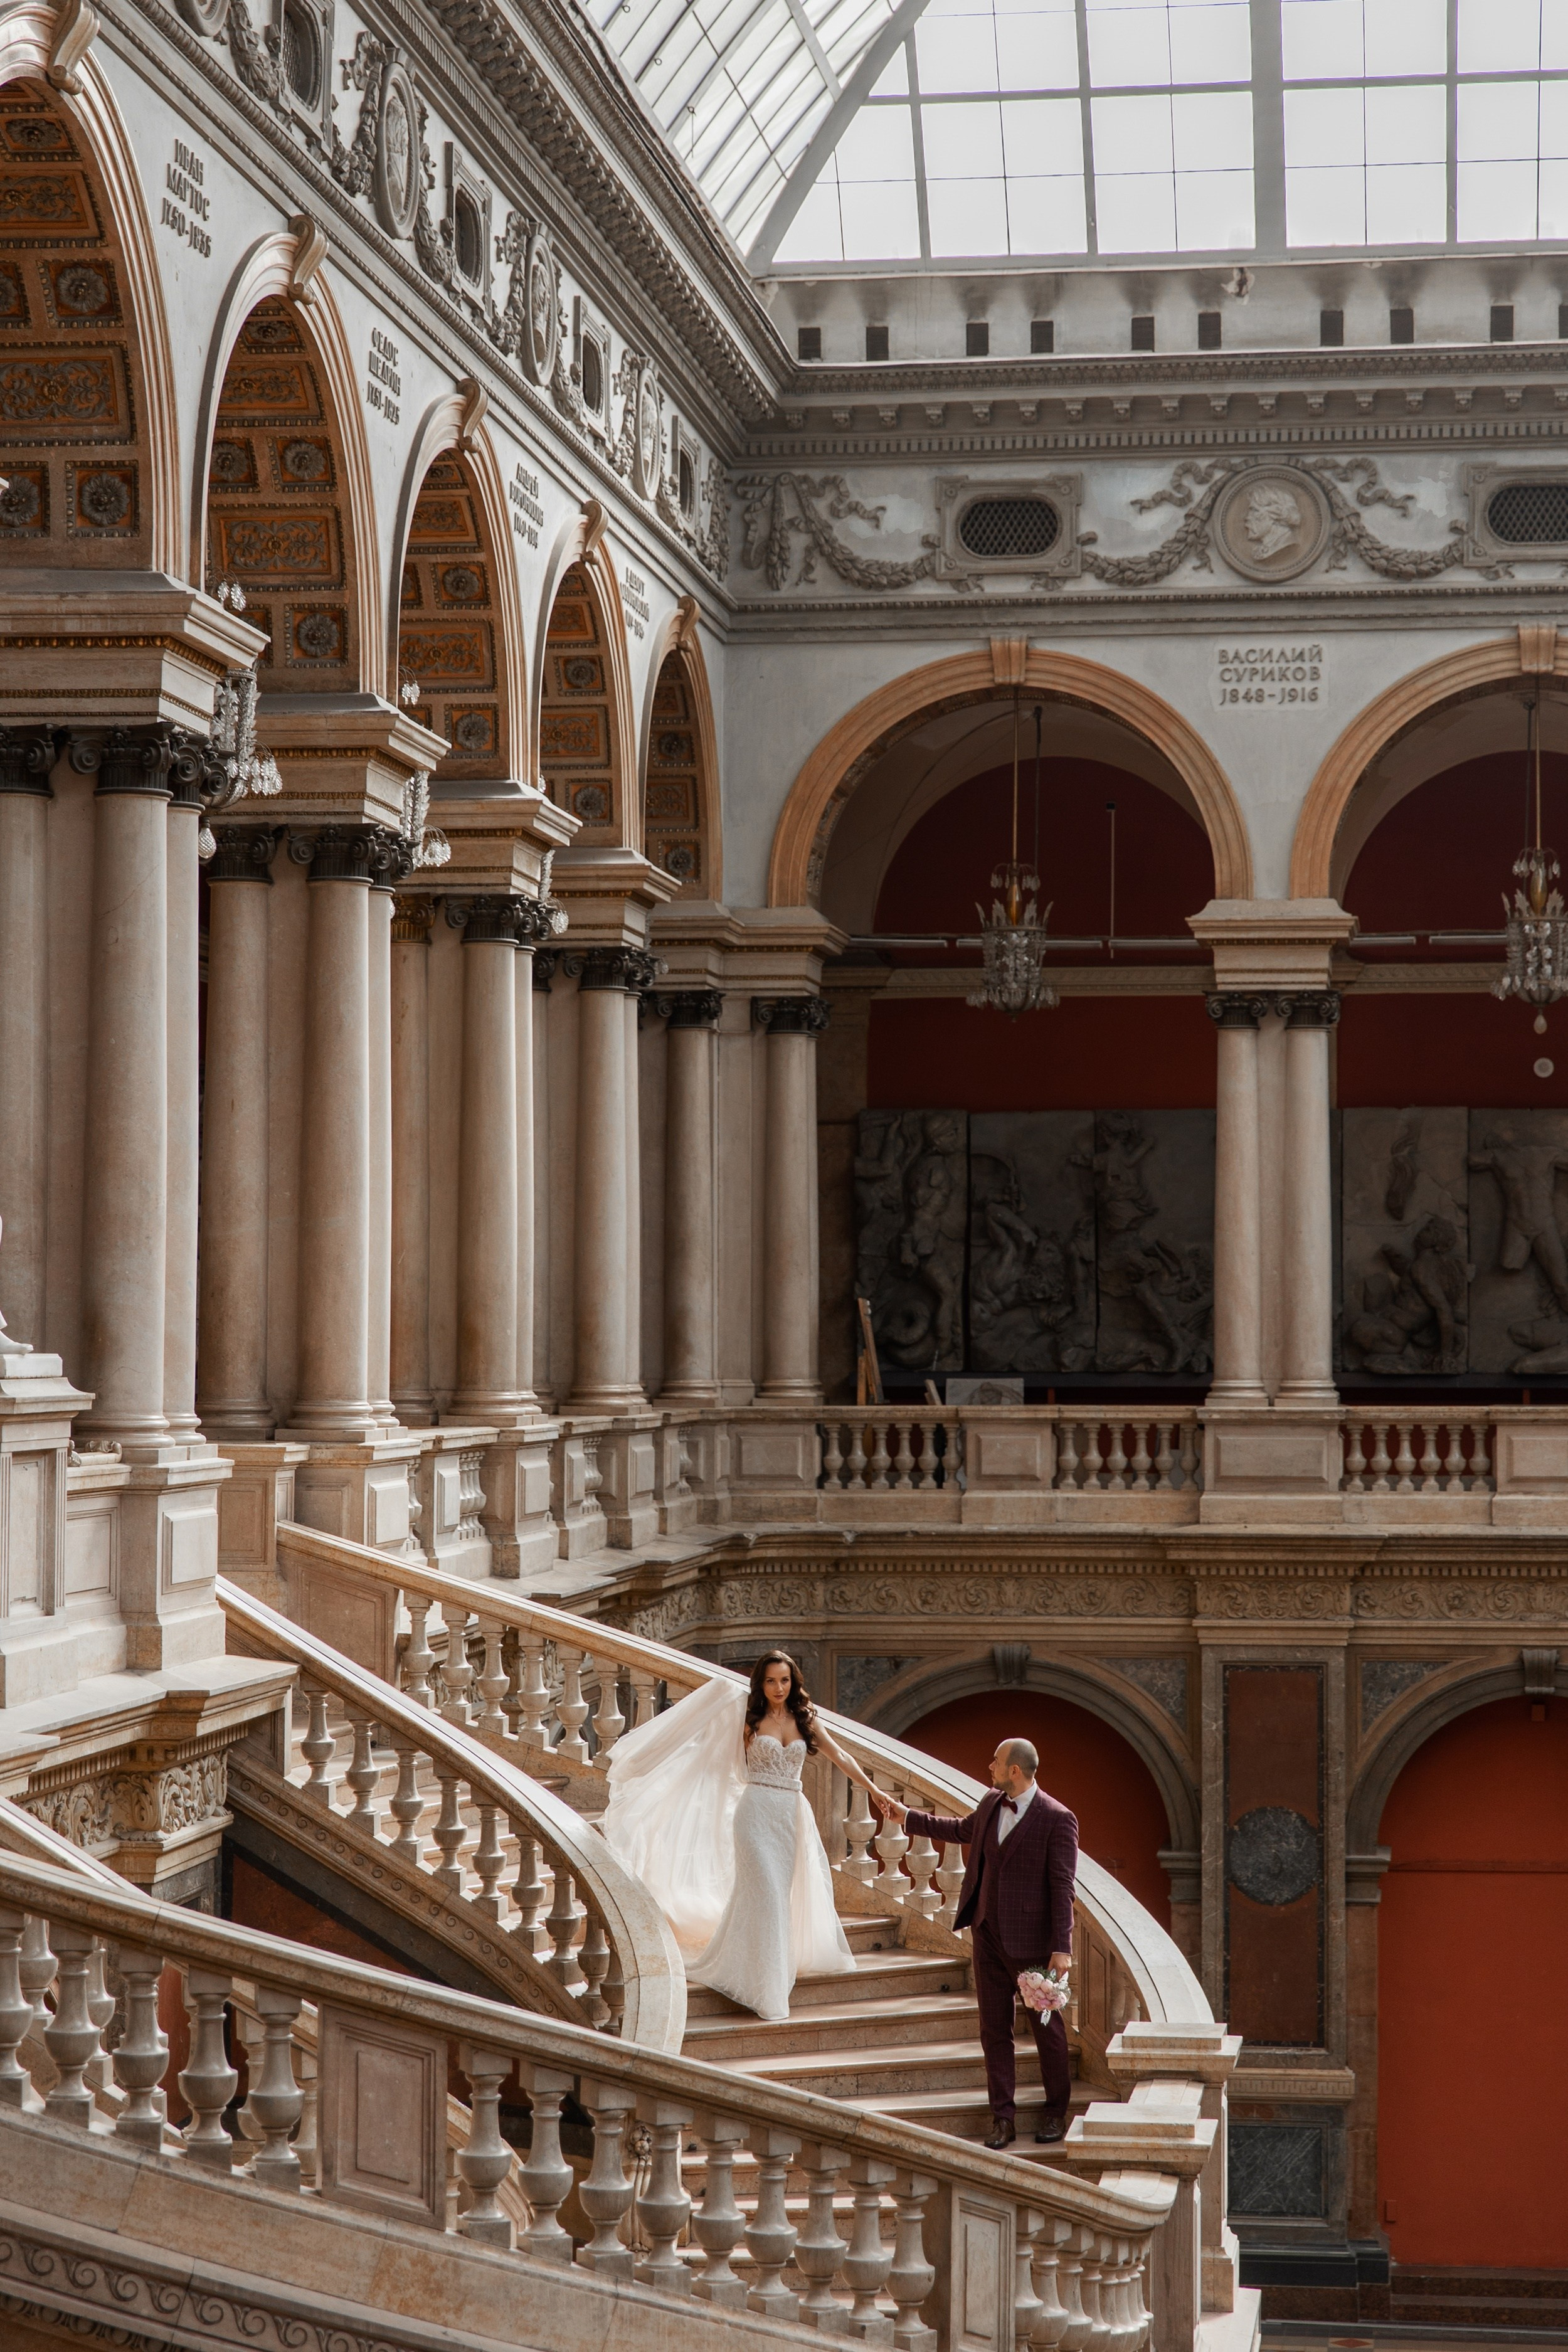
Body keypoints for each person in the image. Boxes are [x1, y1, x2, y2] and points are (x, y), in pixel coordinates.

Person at [601, 1650, 890, 2023]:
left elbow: (841, 1756)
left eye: (785, 1680)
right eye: (771, 1681)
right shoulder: (747, 1718)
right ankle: (767, 1991)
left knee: (776, 1896)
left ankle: (755, 1967)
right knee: (767, 1892)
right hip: (754, 1813)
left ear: (794, 1681)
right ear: (760, 1683)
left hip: (790, 1815)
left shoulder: (806, 1718)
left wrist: (874, 1790)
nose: (779, 1688)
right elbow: (709, 1755)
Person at [884, 1737, 1077, 2148]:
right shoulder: (992, 1802)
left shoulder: (1058, 1819)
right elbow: (960, 1830)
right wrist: (907, 1817)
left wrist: (1063, 1947)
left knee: (1048, 2031)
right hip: (987, 1935)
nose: (989, 1765)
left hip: (1033, 1946)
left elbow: (1062, 1887)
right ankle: (1002, 2119)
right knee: (994, 2031)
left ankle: (1055, 2114)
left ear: (1014, 1770)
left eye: (996, 1761)